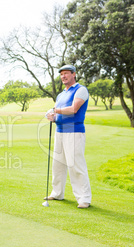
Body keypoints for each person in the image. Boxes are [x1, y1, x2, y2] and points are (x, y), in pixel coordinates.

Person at [45, 64, 91, 209]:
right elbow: (58, 112)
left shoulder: (81, 90)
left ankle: (84, 198)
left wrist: (55, 110)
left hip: (74, 132)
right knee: (58, 164)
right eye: (61, 74)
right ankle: (57, 193)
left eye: (66, 73)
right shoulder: (60, 95)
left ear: (74, 74)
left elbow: (73, 109)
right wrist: (52, 116)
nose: (63, 76)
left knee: (75, 165)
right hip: (60, 131)